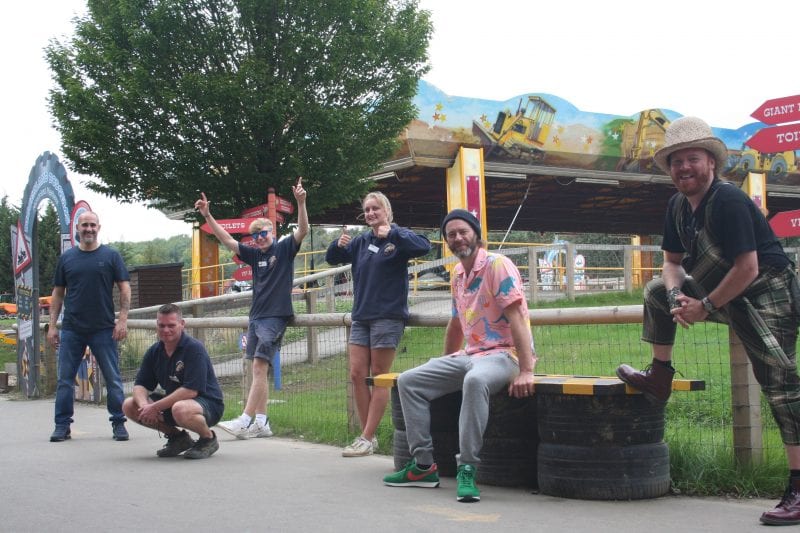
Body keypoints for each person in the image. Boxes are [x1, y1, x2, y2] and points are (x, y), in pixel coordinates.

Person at [614, 116, 800, 526]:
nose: (684, 168)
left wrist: (705, 306)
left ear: (710, 162)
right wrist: (677, 296)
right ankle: (659, 374)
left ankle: (798, 486)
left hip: (767, 291)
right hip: (722, 289)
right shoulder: (678, 206)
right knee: (654, 295)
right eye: (676, 161)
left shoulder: (728, 200)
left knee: (781, 386)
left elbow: (748, 267)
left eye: (692, 159)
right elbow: (671, 262)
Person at [382, 209, 536, 502]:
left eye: (463, 231)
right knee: (409, 380)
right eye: (451, 234)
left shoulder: (497, 265)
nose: (457, 238)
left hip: (506, 355)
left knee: (475, 381)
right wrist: (445, 362)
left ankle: (467, 468)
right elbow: (456, 322)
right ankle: (423, 467)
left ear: (476, 234)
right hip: (471, 354)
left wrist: (527, 369)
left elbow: (517, 317)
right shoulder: (458, 274)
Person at [194, 178, 308, 439]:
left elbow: (302, 229)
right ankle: (261, 422)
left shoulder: (284, 248)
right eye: (255, 235)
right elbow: (227, 240)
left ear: (273, 233)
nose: (259, 238)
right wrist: (208, 216)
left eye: (263, 234)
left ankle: (244, 419)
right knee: (258, 368)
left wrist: (301, 202)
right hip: (256, 317)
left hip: (274, 316)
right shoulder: (255, 255)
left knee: (259, 366)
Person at [326, 192, 431, 457]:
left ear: (387, 210)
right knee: (356, 374)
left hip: (388, 315)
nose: (371, 213)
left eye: (376, 208)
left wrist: (392, 235)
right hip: (361, 316)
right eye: (367, 210)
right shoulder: (362, 241)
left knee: (379, 377)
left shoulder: (398, 236)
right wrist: (337, 245)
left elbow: (424, 246)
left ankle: (366, 436)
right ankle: (367, 437)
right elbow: (332, 258)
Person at [47, 211, 131, 443]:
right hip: (72, 328)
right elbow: (57, 293)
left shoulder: (111, 256)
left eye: (92, 225)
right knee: (65, 380)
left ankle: (118, 423)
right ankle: (62, 426)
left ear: (99, 227)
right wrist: (52, 326)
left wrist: (122, 320)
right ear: (78, 228)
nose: (89, 229)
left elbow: (125, 289)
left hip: (104, 328)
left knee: (113, 379)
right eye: (85, 225)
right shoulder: (67, 259)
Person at [122, 304, 225, 459]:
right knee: (130, 405)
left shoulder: (194, 349)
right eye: (161, 325)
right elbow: (140, 386)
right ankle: (178, 438)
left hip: (207, 404)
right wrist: (145, 406)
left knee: (180, 409)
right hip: (176, 403)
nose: (166, 330)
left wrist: (155, 407)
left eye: (171, 325)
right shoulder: (154, 351)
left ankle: (208, 439)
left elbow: (191, 391)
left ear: (182, 324)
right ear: (156, 325)